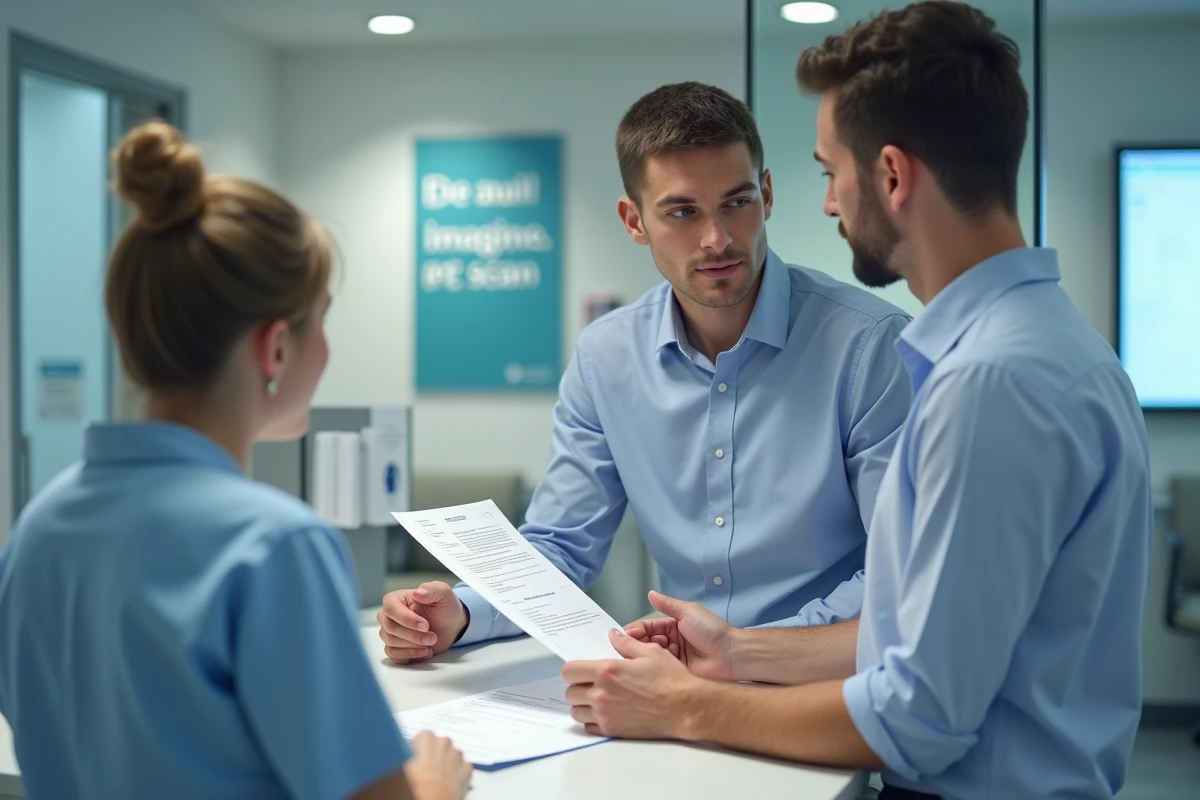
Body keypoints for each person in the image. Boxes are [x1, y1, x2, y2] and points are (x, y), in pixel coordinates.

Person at [560, 3, 1153, 799]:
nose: (831, 204)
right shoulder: (1042, 344)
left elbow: (917, 715)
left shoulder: (987, 384)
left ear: (894, 177)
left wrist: (689, 708)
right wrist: (736, 654)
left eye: (829, 171)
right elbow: (919, 634)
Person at [0, 122, 471, 800]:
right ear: (276, 348)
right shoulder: (275, 546)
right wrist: (430, 784)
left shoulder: (38, 528)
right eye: (323, 323)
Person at [377, 82, 912, 666]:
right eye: (682, 212)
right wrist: (462, 612)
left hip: (830, 682)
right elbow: (560, 545)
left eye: (737, 202)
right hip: (680, 684)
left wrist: (749, 655)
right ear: (634, 221)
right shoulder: (605, 357)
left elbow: (902, 568)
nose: (717, 239)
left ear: (766, 194)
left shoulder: (870, 347)